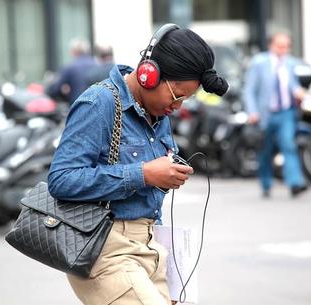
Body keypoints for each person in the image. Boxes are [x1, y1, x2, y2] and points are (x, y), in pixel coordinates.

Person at [48, 24, 228, 305]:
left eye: (186, 99)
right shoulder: (99, 103)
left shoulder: (159, 114)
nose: (178, 106)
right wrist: (144, 174)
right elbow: (61, 180)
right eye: (177, 94)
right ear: (148, 74)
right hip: (106, 253)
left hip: (149, 249)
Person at [243, 32, 307, 198]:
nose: (283, 49)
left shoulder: (292, 64)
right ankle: (266, 184)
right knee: (265, 150)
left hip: (286, 112)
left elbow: (294, 85)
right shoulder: (259, 62)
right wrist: (252, 111)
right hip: (265, 114)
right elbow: (249, 90)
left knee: (289, 145)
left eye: (286, 46)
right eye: (279, 45)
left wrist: (299, 92)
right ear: (271, 45)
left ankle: (295, 183)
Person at [47, 38, 97, 103]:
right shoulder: (96, 65)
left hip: (77, 105)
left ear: (74, 51)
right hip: (96, 105)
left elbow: (55, 90)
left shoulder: (70, 67)